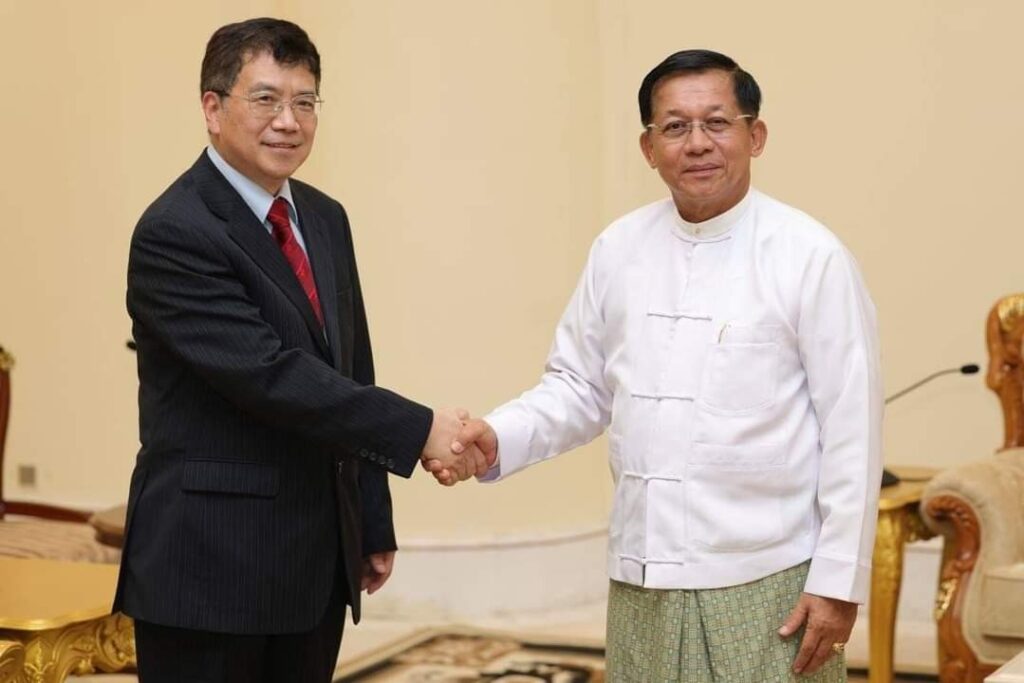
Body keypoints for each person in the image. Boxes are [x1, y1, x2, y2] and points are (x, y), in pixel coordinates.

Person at [439, 50, 882, 681]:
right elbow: (579, 388)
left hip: (766, 579)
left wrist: (839, 582)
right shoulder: (618, 249)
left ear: (755, 136)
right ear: (649, 147)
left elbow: (851, 431)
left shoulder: (811, 256)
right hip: (643, 575)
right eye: (675, 127)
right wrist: (496, 435)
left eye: (717, 123)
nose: (697, 143)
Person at [113, 18, 486, 682]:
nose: (288, 121)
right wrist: (423, 428)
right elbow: (271, 375)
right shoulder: (175, 231)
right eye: (265, 98)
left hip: (315, 559)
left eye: (305, 101)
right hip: (210, 571)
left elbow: (350, 367)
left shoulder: (323, 216)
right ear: (212, 107)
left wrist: (371, 519)